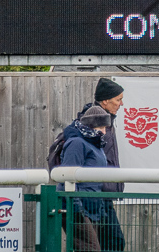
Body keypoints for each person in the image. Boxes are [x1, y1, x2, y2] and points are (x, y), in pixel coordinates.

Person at [58, 105, 111, 252]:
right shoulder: (77, 143)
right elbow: (66, 176)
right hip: (77, 208)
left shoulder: (95, 145)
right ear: (92, 126)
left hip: (90, 208)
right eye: (102, 127)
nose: (105, 132)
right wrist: (77, 208)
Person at [94, 78, 125, 252]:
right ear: (105, 100)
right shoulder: (97, 121)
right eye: (118, 99)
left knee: (108, 242)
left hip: (102, 193)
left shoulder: (106, 121)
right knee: (114, 242)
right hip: (96, 194)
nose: (121, 103)